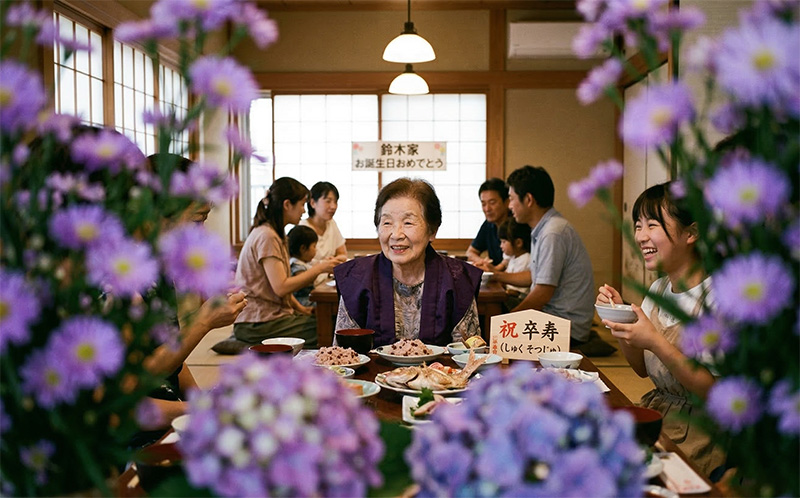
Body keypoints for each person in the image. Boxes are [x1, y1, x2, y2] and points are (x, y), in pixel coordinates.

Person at [596, 182, 725, 476]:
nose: (641, 236)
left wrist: (655, 341)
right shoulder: (658, 288)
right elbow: (641, 369)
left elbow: (714, 391)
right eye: (638, 225)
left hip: (703, 431)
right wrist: (623, 320)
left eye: (652, 225)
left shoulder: (717, 296)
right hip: (659, 414)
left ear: (691, 233)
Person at [132, 153, 248, 447]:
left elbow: (173, 363)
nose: (201, 233)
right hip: (138, 444)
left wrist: (204, 400)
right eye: (198, 220)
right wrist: (204, 321)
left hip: (172, 419)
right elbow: (128, 397)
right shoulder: (118, 281)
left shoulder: (156, 267)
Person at [334, 178, 483, 347]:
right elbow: (343, 357)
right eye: (387, 222)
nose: (396, 234)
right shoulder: (356, 278)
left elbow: (469, 354)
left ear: (432, 230)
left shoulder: (458, 279)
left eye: (408, 223)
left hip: (439, 373)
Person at [493, 165, 595, 346]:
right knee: (497, 312)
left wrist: (507, 321)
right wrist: (496, 275)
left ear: (529, 199)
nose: (510, 206)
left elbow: (542, 293)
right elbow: (534, 276)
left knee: (494, 328)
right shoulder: (543, 228)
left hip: (565, 324)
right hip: (553, 315)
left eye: (511, 199)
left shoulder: (552, 232)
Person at [232, 177, 338, 348]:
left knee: (329, 321)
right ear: (287, 205)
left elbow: (281, 290)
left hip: (272, 316)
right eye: (302, 204)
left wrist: (301, 309)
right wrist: (319, 268)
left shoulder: (275, 234)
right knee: (330, 328)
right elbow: (281, 287)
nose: (304, 211)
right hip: (257, 322)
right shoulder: (267, 236)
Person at [300, 182, 347, 285]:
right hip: (309, 285)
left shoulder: (332, 224)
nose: (333, 206)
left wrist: (332, 261)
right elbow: (298, 265)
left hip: (327, 282)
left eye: (335, 202)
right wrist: (323, 265)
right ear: (312, 203)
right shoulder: (302, 229)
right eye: (328, 201)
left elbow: (343, 254)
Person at [465, 178, 510, 267]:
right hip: (496, 277)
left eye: (492, 203)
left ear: (507, 202)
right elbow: (470, 252)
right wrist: (483, 262)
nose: (487, 209)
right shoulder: (488, 224)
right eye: (483, 204)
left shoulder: (516, 225)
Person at [495, 217, 531, 310]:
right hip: (508, 294)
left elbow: (519, 291)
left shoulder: (526, 259)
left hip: (518, 300)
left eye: (504, 242)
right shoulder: (513, 257)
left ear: (518, 243)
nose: (501, 246)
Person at [287, 225, 319, 308]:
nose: (316, 250)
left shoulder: (303, 262)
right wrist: (318, 271)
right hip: (302, 301)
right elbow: (304, 281)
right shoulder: (296, 264)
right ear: (303, 248)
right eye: (314, 246)